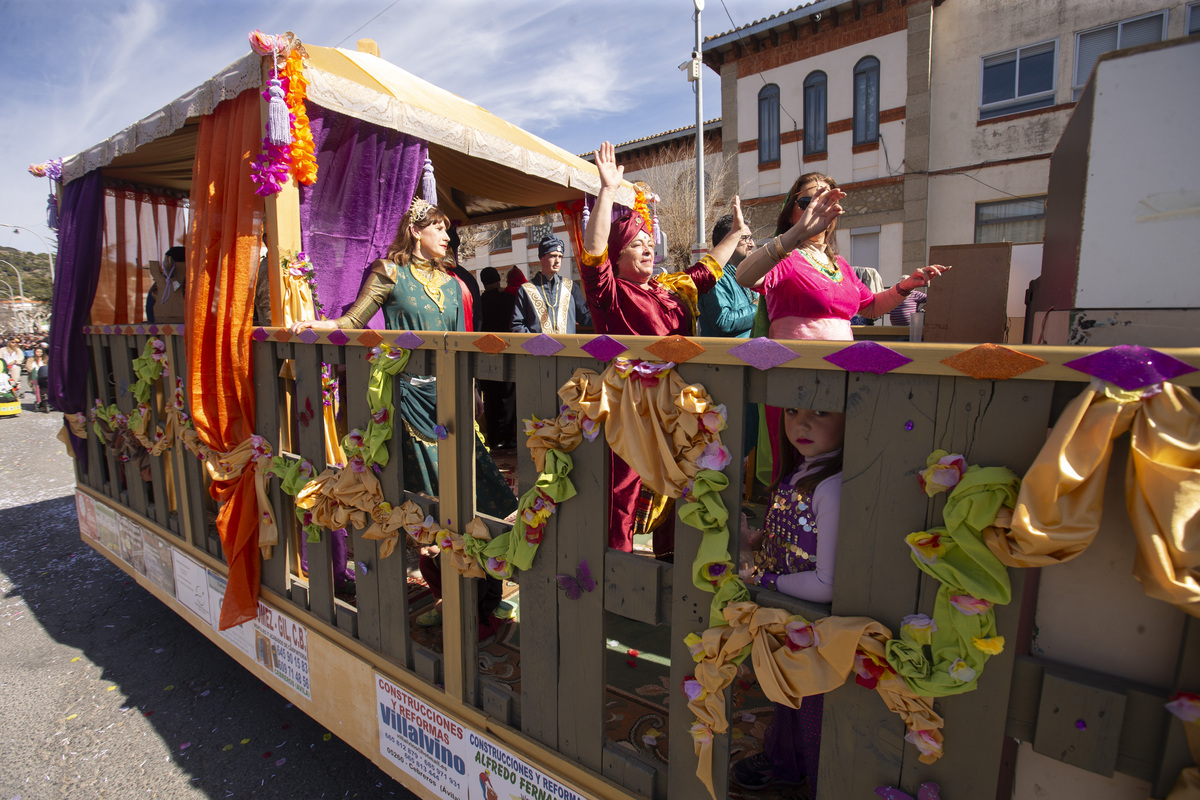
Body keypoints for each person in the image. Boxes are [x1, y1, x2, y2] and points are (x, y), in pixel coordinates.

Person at [289, 198, 518, 634]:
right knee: (430, 507)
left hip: (455, 405)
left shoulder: (457, 284)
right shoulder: (388, 273)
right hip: (410, 406)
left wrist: (476, 402)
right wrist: (321, 326)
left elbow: (470, 346)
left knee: (484, 497)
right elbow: (353, 321)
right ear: (416, 231)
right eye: (439, 228)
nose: (447, 237)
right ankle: (447, 597)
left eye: (447, 230)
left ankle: (488, 595)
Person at [580, 141, 751, 558]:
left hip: (675, 405)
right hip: (633, 412)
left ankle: (670, 564)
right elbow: (592, 254)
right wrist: (606, 191)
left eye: (648, 242)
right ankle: (617, 572)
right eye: (637, 244)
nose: (648, 248)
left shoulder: (668, 289)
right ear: (617, 257)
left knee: (679, 485)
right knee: (625, 490)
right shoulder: (610, 294)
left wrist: (735, 236)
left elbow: (705, 271)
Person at [733, 406, 846, 793]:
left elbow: (826, 583)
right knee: (786, 691)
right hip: (788, 613)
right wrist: (758, 541)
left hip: (814, 624)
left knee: (812, 704)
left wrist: (764, 579)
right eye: (794, 411)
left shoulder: (832, 487)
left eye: (822, 412)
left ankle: (817, 781)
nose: (802, 423)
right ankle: (785, 758)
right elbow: (795, 535)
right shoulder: (803, 470)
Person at [736, 172, 949, 342]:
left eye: (825, 202)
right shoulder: (785, 257)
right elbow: (744, 276)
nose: (816, 208)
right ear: (790, 214)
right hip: (796, 374)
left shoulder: (839, 264)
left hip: (839, 375)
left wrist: (906, 286)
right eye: (806, 203)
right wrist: (799, 233)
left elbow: (872, 307)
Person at [511, 235, 592, 335]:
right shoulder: (526, 290)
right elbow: (517, 325)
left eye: (560, 256)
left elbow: (585, 317)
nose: (557, 260)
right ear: (541, 257)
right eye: (553, 256)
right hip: (538, 349)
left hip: (567, 349)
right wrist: (535, 343)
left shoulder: (571, 287)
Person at [697, 214, 757, 338]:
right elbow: (723, 322)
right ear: (728, 241)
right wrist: (757, 307)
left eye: (751, 238)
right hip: (727, 355)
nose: (751, 244)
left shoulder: (747, 275)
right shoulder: (715, 278)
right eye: (745, 238)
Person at [478, 267, 517, 449]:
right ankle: (510, 437)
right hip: (508, 352)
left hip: (486, 355)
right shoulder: (509, 299)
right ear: (499, 279)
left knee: (490, 397)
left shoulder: (479, 303)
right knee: (509, 395)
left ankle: (494, 438)